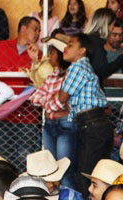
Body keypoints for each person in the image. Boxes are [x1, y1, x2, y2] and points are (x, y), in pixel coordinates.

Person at [0, 16, 42, 163]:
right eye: (35, 29)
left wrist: (35, 61)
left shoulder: (38, 55)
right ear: (23, 28)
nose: (38, 33)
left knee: (24, 158)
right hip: (1, 114)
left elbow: (42, 81)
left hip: (27, 116)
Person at [58, 32, 114, 193]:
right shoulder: (86, 66)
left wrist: (64, 78)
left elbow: (62, 97)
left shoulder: (76, 68)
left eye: (70, 45)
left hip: (90, 125)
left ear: (82, 50)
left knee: (85, 177)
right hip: (98, 123)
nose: (66, 48)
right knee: (99, 176)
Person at [30, 32, 76, 189]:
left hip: (66, 125)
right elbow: (35, 97)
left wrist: (50, 104)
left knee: (65, 171)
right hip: (51, 124)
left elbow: (68, 103)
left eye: (52, 52)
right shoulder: (54, 75)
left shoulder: (72, 75)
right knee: (50, 169)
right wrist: (54, 105)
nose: (49, 55)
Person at [83, 8, 123, 81]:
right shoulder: (96, 42)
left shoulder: (88, 40)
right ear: (105, 24)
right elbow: (103, 71)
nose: (112, 28)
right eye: (112, 25)